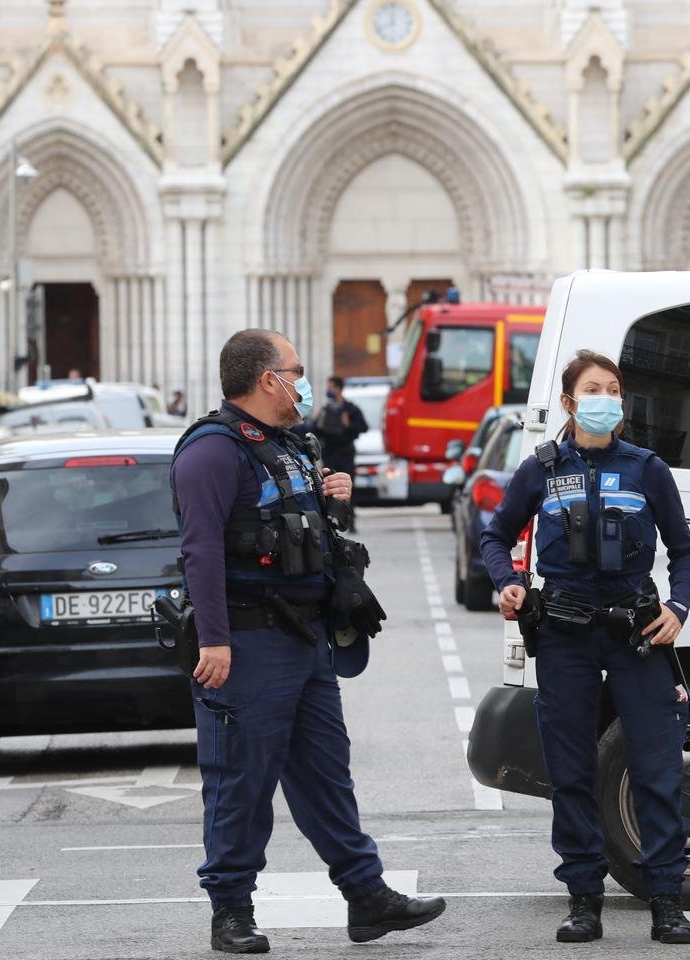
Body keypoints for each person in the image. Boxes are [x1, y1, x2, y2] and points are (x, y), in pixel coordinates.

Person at [171, 329, 444, 953]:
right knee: (240, 780)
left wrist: (332, 501)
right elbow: (201, 552)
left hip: (304, 639)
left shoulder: (287, 446)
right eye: (296, 369)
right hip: (245, 642)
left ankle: (366, 897)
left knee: (326, 775)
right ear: (269, 379)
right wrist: (214, 639)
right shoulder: (212, 452)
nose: (304, 379)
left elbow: (299, 535)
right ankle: (232, 911)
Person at [478, 350, 690, 946]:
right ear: (572, 403)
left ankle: (666, 901)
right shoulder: (542, 469)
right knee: (571, 772)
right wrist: (508, 581)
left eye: (614, 389)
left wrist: (677, 609)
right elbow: (496, 536)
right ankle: (584, 899)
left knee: (657, 768)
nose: (606, 398)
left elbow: (685, 550)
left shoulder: (647, 468)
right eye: (593, 389)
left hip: (636, 634)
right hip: (565, 636)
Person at [312, 377, 366, 531]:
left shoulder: (350, 409)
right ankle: (331, 520)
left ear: (338, 388)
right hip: (330, 453)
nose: (328, 390)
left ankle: (350, 519)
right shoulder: (326, 409)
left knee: (347, 488)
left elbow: (362, 427)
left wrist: (348, 424)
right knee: (329, 488)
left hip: (345, 454)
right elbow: (317, 430)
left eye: (331, 387)